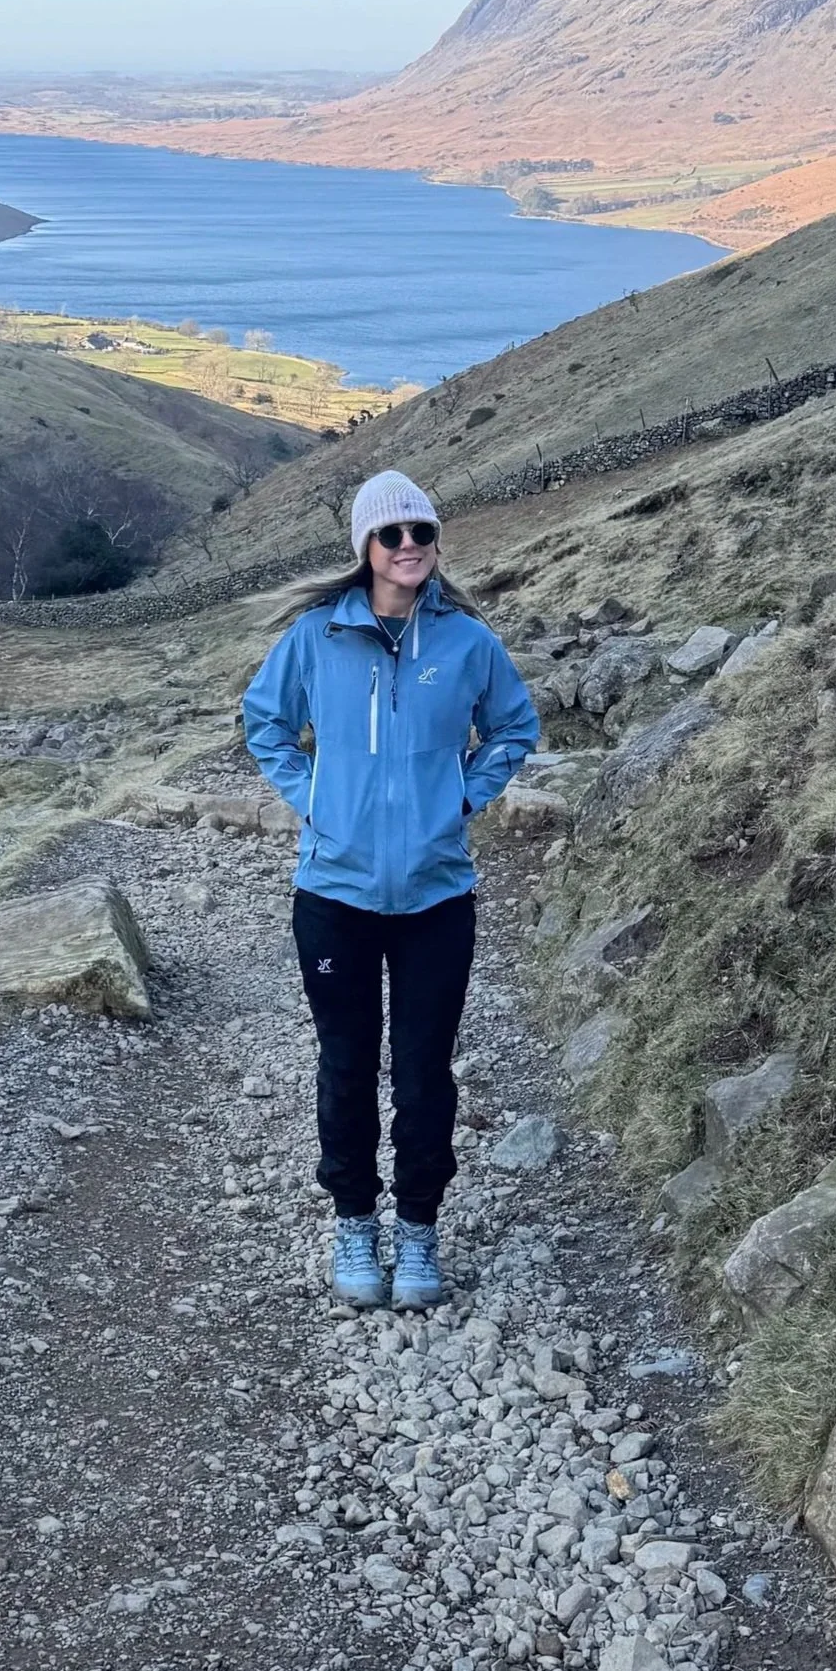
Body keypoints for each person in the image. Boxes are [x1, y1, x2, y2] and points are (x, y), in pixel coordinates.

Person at [242, 468, 540, 1309]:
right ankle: (352, 1224)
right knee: (345, 1065)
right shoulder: (315, 637)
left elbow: (515, 725)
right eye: (392, 534)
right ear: (365, 549)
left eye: (423, 532)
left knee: (424, 1072)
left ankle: (417, 1231)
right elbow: (265, 721)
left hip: (437, 898)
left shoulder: (468, 642)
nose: (410, 546)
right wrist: (314, 799)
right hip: (333, 894)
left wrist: (465, 795)